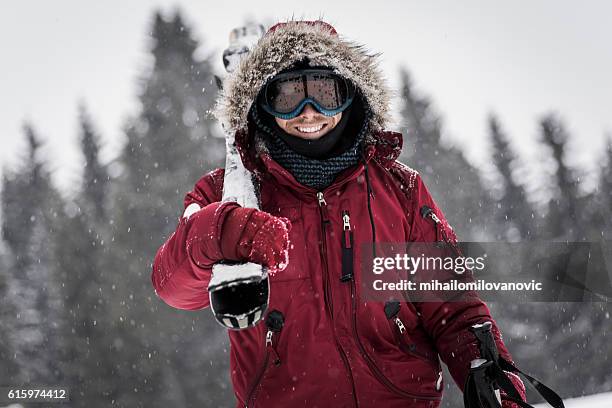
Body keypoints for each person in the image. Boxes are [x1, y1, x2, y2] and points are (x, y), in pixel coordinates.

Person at [151, 20, 526, 407]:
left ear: (350, 94)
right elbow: (171, 285)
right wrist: (224, 230)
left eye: (325, 92)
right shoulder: (225, 194)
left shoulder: (399, 190)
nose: (309, 112)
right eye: (289, 95)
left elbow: (452, 307)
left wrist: (486, 371)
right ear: (263, 99)